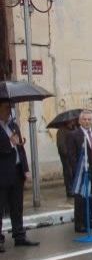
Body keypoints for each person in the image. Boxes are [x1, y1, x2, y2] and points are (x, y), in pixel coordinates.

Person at [0, 101, 39, 251]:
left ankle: (19, 235)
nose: (9, 111)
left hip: (16, 172)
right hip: (3, 174)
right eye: (5, 108)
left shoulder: (13, 126)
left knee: (17, 206)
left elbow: (21, 150)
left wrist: (26, 169)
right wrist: (10, 143)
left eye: (9, 108)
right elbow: (6, 148)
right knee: (1, 207)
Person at [56, 120, 76, 198]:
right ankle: (69, 190)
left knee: (74, 173)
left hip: (74, 156)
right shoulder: (61, 131)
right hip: (66, 157)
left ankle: (74, 189)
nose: (73, 123)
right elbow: (61, 145)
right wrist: (66, 153)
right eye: (71, 122)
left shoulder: (74, 129)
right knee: (68, 173)